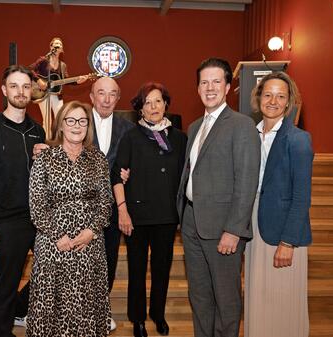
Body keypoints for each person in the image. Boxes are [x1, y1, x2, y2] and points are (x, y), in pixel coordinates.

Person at [176, 58, 261, 337]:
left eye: (216, 81)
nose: (209, 88)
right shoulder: (195, 126)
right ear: (197, 88)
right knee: (200, 296)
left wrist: (234, 230)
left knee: (226, 300)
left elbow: (247, 182)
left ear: (227, 86)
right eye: (204, 82)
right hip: (191, 222)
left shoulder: (242, 125)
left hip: (223, 228)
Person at [27, 101, 113, 336]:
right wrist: (58, 235)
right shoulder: (45, 158)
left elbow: (106, 202)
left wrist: (91, 231)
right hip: (53, 246)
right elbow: (37, 205)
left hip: (89, 246)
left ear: (88, 127)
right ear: (61, 125)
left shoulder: (98, 159)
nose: (77, 126)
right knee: (52, 309)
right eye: (71, 120)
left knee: (86, 306)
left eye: (82, 121)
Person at [0, 65, 46, 336]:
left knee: (48, 272)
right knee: (6, 283)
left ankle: (19, 307)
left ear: (32, 92)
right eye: (14, 86)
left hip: (38, 218)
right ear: (4, 90)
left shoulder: (37, 131)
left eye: (26, 87)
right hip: (6, 221)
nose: (20, 92)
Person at [112, 82, 187, 337]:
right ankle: (138, 319)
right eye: (148, 102)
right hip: (136, 217)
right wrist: (122, 211)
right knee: (136, 269)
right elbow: (116, 176)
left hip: (167, 216)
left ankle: (158, 314)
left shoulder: (179, 138)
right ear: (140, 109)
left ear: (166, 104)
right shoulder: (131, 137)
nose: (153, 106)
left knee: (162, 269)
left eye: (158, 101)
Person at [244, 72, 313, 337]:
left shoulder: (298, 139)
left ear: (288, 102)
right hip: (254, 224)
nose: (273, 100)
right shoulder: (250, 134)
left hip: (284, 230)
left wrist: (288, 242)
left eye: (281, 96)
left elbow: (301, 196)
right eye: (268, 94)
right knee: (258, 295)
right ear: (258, 97)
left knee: (283, 300)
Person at [89, 76, 134, 331]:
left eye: (112, 94)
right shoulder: (78, 122)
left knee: (108, 261)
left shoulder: (128, 129)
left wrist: (130, 173)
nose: (106, 99)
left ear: (118, 98)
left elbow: (133, 161)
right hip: (81, 210)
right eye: (101, 93)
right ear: (92, 96)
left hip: (112, 207)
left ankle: (100, 311)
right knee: (82, 262)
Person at [30, 37, 87, 138]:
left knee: (60, 118)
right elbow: (30, 70)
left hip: (57, 95)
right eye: (55, 44)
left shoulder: (63, 65)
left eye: (60, 45)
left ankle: (59, 143)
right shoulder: (43, 60)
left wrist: (78, 81)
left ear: (62, 49)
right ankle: (46, 143)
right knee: (47, 121)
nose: (58, 46)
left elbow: (65, 80)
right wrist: (39, 81)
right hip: (43, 94)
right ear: (51, 47)